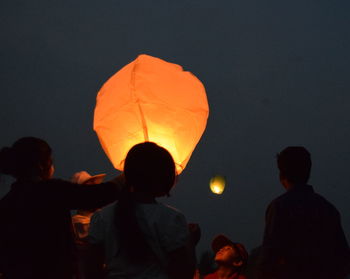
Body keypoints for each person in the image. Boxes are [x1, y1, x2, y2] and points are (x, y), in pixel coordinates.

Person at [0, 137, 124, 279]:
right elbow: (97, 195)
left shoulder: (6, 204)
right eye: (51, 161)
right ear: (41, 165)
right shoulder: (51, 191)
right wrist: (129, 174)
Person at [88, 142, 199, 279]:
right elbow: (183, 272)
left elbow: (91, 269)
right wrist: (189, 241)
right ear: (165, 177)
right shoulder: (171, 219)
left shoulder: (102, 217)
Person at [259, 146, 350, 279]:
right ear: (308, 172)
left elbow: (269, 258)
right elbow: (343, 258)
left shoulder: (279, 207)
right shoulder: (328, 209)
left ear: (282, 175)